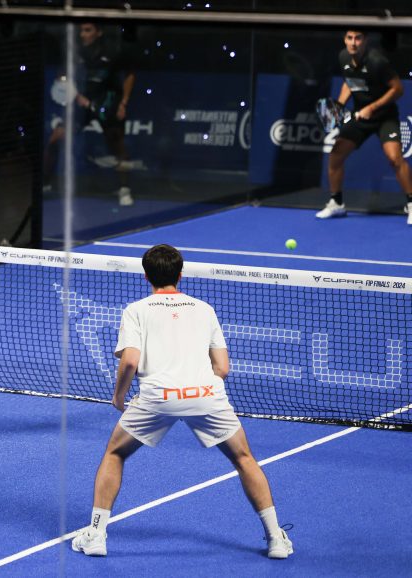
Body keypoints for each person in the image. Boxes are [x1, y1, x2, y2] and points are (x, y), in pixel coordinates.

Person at [71, 244, 293, 559]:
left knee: (115, 454)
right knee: (244, 458)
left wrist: (119, 396)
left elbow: (130, 361)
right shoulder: (204, 309)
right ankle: (276, 539)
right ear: (180, 275)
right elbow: (222, 368)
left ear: (146, 276)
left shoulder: (136, 310)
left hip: (157, 397)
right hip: (206, 395)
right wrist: (197, 388)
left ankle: (95, 536)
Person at [317, 29, 412, 223]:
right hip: (360, 117)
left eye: (358, 38)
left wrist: (372, 107)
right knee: (336, 153)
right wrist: (339, 106)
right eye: (350, 38)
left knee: (395, 159)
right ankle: (336, 203)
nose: (353, 43)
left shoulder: (377, 62)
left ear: (365, 41)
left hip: (384, 117)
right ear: (345, 40)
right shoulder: (343, 57)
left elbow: (398, 89)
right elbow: (349, 83)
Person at [43, 22, 136, 206]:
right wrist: (76, 96)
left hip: (107, 102)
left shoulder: (113, 52)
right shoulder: (73, 53)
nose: (82, 34)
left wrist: (123, 102)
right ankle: (45, 184)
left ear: (98, 32)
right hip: (80, 103)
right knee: (56, 138)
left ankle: (124, 189)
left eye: (87, 30)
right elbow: (62, 78)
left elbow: (130, 74)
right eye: (81, 31)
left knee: (117, 143)